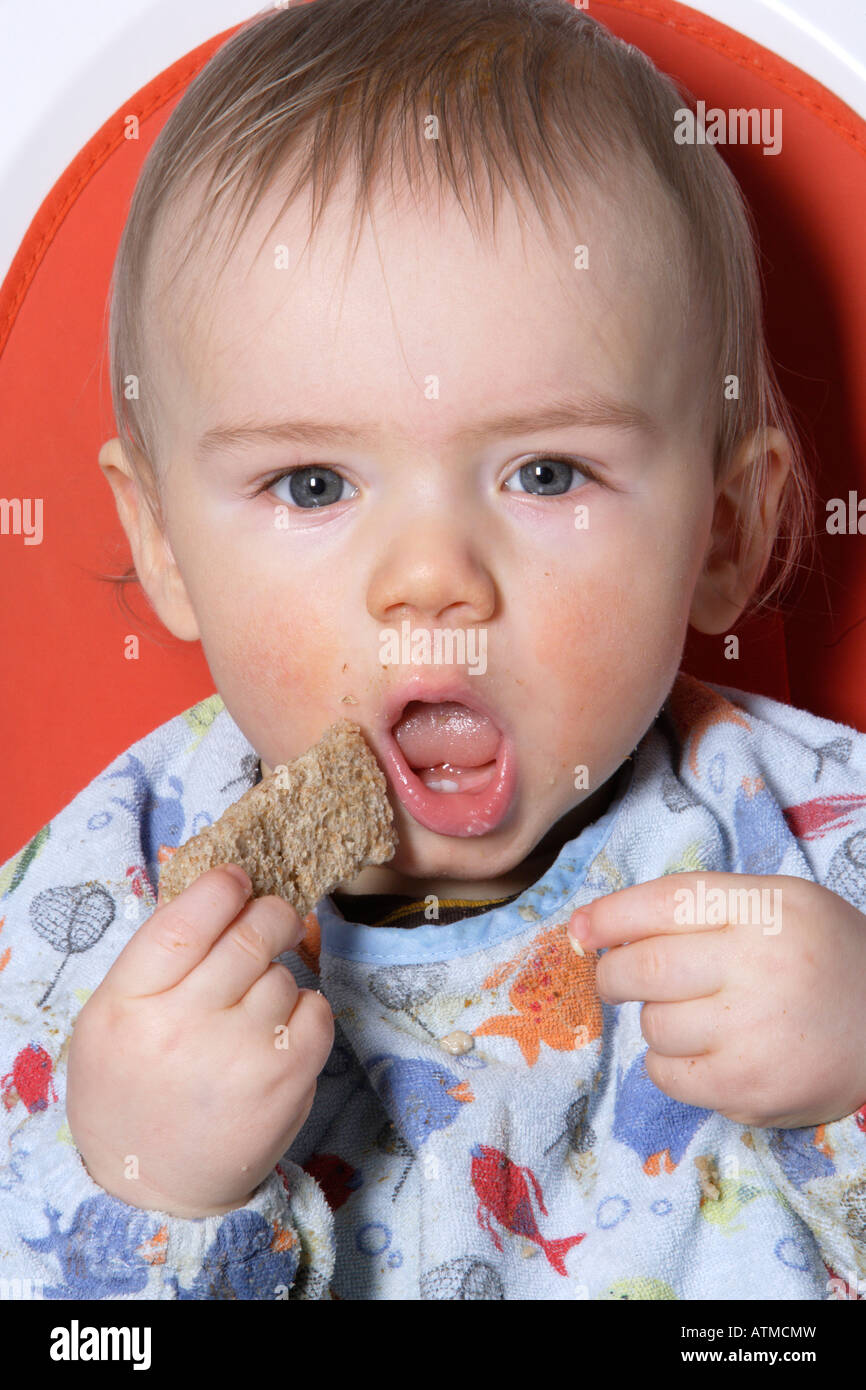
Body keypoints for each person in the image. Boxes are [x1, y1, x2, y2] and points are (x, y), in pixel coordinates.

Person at [1, 0, 864, 1301]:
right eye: (309, 485)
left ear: (722, 529)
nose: (428, 578)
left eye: (543, 469)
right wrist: (143, 1190)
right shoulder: (90, 923)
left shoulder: (815, 842)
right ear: (166, 544)